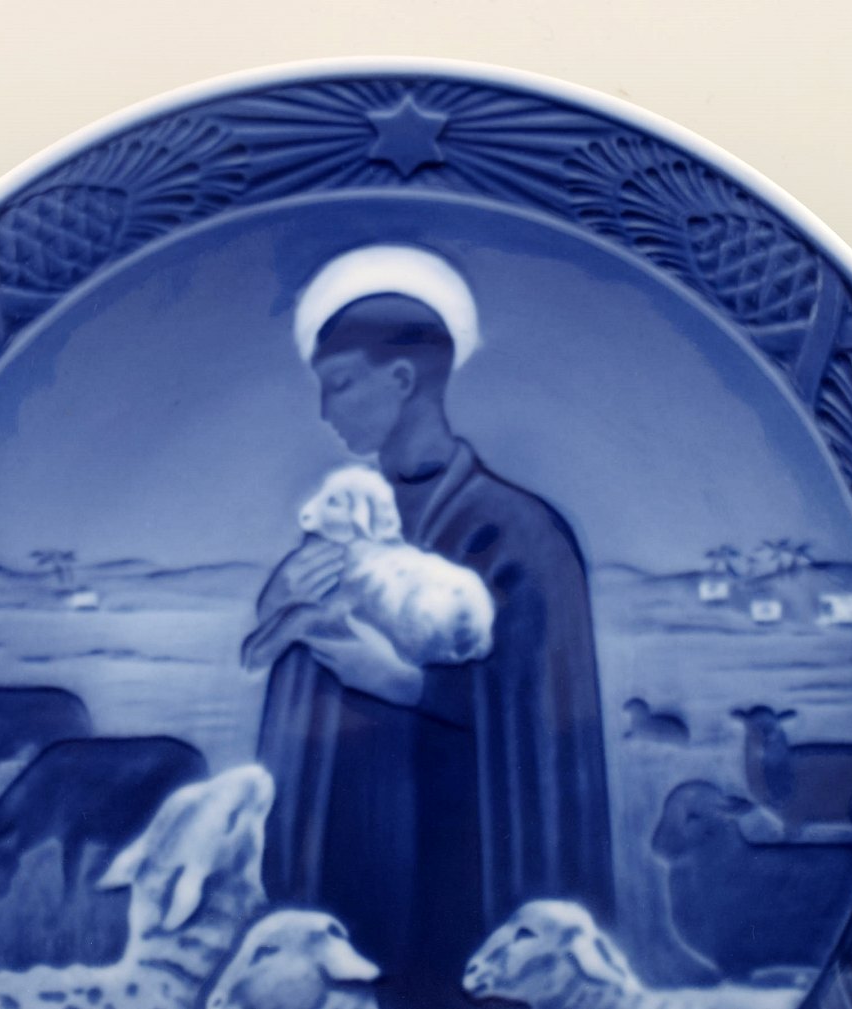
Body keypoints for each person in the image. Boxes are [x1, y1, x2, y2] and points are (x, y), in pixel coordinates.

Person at [253, 246, 614, 1007]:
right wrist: (282, 599)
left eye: (339, 385)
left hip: (465, 853)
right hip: (345, 846)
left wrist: (405, 684)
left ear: (402, 379)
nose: (324, 412)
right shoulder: (340, 522)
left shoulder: (520, 533)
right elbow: (294, 672)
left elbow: (544, 716)